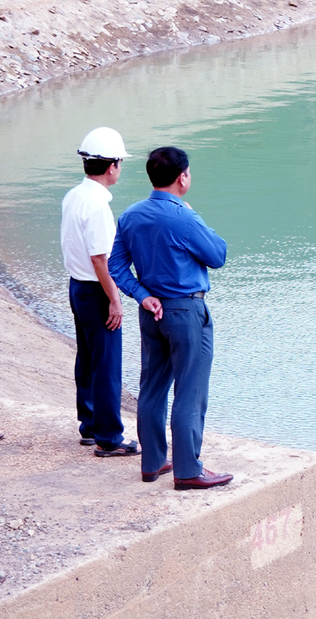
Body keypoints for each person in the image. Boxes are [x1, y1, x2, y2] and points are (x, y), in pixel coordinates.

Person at [108, 146, 233, 489]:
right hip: (186, 310)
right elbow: (218, 254)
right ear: (183, 178)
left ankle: (152, 463)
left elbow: (116, 264)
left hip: (151, 311)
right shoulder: (183, 216)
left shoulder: (131, 215)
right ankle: (188, 470)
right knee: (190, 391)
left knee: (151, 387)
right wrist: (194, 214)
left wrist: (141, 295)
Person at [61, 127, 139, 458]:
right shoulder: (98, 207)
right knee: (107, 364)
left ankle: (90, 425)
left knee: (88, 358)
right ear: (112, 166)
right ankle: (109, 437)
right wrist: (115, 300)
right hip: (95, 290)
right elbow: (100, 259)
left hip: (77, 286)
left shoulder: (74, 196)